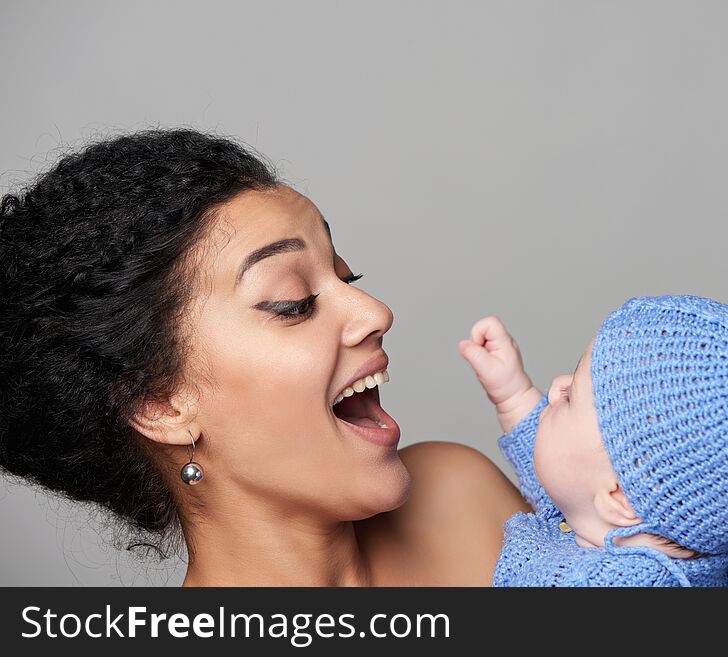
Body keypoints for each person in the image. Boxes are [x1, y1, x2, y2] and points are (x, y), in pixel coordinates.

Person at [0, 127, 530, 586]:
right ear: (161, 403)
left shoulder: (457, 499)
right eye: (294, 303)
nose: (375, 311)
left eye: (347, 275)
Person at [458, 295, 728, 586]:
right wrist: (512, 392)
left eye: (570, 398)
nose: (556, 387)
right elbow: (563, 476)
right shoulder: (613, 517)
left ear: (619, 497)